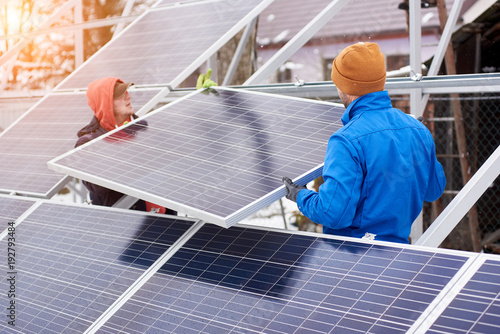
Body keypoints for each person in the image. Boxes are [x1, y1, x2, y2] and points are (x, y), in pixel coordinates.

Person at [282, 42, 446, 244]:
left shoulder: (345, 141)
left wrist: (301, 196)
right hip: (398, 253)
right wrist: (420, 140)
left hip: (352, 258)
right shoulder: (417, 130)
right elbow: (434, 190)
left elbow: (333, 213)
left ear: (345, 86)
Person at [76, 76, 175, 214]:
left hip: (166, 221)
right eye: (120, 95)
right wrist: (123, 148)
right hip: (126, 226)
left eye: (126, 92)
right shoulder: (89, 141)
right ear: (106, 103)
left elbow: (179, 150)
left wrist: (202, 99)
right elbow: (97, 187)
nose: (127, 97)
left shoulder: (142, 129)